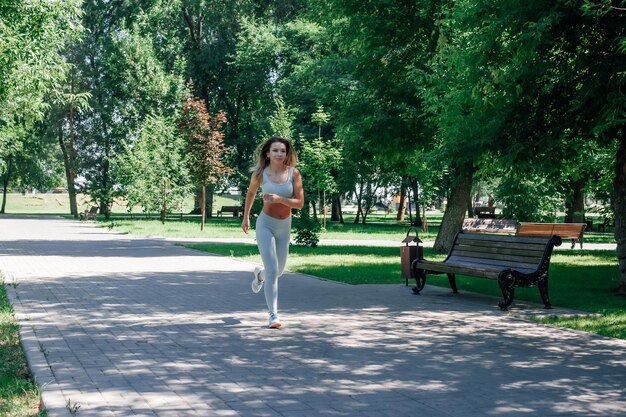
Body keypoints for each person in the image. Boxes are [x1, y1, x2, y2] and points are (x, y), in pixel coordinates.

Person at [241, 136, 304, 328]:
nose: (279, 154)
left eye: (283, 151)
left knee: (279, 271)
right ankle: (273, 315)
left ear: (287, 154)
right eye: (275, 150)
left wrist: (279, 199)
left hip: (285, 225)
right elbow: (251, 193)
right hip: (265, 224)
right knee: (272, 270)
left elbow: (300, 204)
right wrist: (246, 217)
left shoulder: (294, 174)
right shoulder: (261, 174)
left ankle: (259, 275)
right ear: (267, 153)